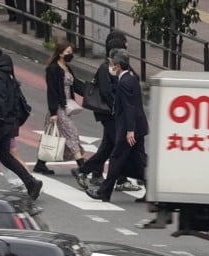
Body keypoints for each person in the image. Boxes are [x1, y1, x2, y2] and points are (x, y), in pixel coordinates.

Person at [0, 42, 42, 200]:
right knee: (5, 155)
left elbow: (0, 98)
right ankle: (30, 182)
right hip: (8, 122)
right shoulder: (5, 69)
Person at [86, 50, 147, 204]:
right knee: (139, 161)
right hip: (139, 127)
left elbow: (128, 107)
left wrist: (129, 130)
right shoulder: (131, 78)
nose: (110, 67)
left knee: (116, 158)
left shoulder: (124, 82)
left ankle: (104, 192)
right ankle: (152, 190)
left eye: (112, 64)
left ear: (118, 66)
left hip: (129, 129)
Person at [72, 31, 126, 190]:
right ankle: (118, 179)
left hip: (111, 113)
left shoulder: (115, 68)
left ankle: (85, 171)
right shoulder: (105, 69)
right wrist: (117, 108)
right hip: (108, 114)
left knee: (108, 146)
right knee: (118, 145)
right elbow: (107, 92)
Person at [35, 40, 85, 176]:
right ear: (61, 53)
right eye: (68, 52)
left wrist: (91, 92)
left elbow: (76, 84)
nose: (70, 54)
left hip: (66, 106)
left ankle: (40, 164)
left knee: (51, 136)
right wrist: (53, 112)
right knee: (71, 132)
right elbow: (52, 91)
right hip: (57, 107)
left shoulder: (67, 68)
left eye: (71, 52)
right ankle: (82, 166)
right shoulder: (53, 69)